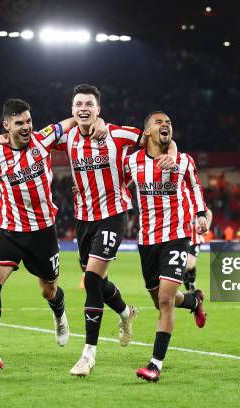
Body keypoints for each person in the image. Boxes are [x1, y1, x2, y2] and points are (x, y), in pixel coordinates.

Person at [0, 99, 105, 371]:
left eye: (28, 121)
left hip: (43, 232)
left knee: (49, 290)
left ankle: (59, 312)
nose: (26, 127)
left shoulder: (42, 139)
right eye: (19, 123)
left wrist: (98, 122)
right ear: (6, 125)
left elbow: (72, 122)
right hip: (10, 230)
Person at [51, 85, 178, 377]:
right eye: (78, 104)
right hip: (84, 219)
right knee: (97, 281)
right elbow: (36, 139)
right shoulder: (67, 138)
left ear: (99, 109)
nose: (84, 108)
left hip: (113, 215)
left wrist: (172, 152)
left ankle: (88, 354)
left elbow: (157, 136)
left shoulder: (117, 134)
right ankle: (125, 312)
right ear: (72, 110)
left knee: (92, 278)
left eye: (89, 104)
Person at [124, 111, 207, 382]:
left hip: (177, 235)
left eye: (169, 122)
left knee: (165, 301)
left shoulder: (183, 161)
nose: (166, 125)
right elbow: (118, 184)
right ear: (146, 131)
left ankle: (155, 364)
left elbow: (195, 188)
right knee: (160, 300)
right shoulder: (132, 161)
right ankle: (194, 300)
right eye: (159, 122)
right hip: (147, 239)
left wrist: (200, 215)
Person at [183, 207, 213, 292]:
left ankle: (192, 284)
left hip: (195, 240)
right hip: (183, 239)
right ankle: (190, 288)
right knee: (183, 266)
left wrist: (207, 226)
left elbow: (209, 213)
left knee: (188, 266)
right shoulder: (180, 202)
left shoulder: (195, 202)